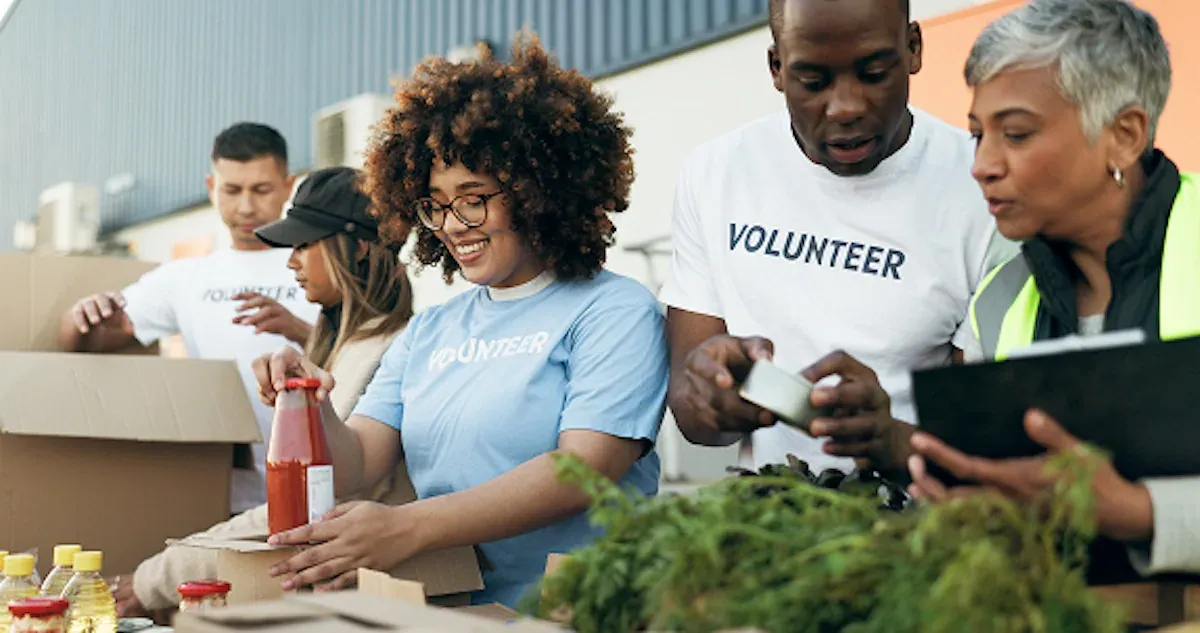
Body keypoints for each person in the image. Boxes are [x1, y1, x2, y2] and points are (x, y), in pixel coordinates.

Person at [258, 36, 668, 608]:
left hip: (574, 609)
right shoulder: (430, 331)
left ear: (540, 193)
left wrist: (408, 528)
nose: (452, 224)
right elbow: (358, 467)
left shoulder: (616, 312)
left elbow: (583, 469)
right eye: (435, 203)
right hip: (453, 608)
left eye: (474, 197)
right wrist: (308, 397)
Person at [660, 0, 1017, 478]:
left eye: (873, 74)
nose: (846, 107)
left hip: (923, 527)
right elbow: (691, 414)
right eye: (813, 82)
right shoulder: (716, 174)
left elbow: (991, 439)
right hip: (769, 519)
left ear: (913, 48)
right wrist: (717, 395)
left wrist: (889, 436)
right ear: (777, 67)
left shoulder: (981, 187)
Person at [904, 0, 1200, 575]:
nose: (982, 165)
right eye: (977, 135)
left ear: (1124, 135)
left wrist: (1143, 514)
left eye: (1015, 134)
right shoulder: (996, 299)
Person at [110, 166, 415, 617]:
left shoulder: (384, 352)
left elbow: (311, 509)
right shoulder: (347, 345)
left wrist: (152, 581)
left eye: (304, 244)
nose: (290, 260)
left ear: (361, 248)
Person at [59, 122, 320, 513]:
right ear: (211, 187)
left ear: (288, 185)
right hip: (220, 495)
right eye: (232, 190)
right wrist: (79, 317)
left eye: (261, 189)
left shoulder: (319, 265)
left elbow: (364, 354)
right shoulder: (186, 277)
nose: (246, 206)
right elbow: (89, 341)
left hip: (318, 484)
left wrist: (299, 330)